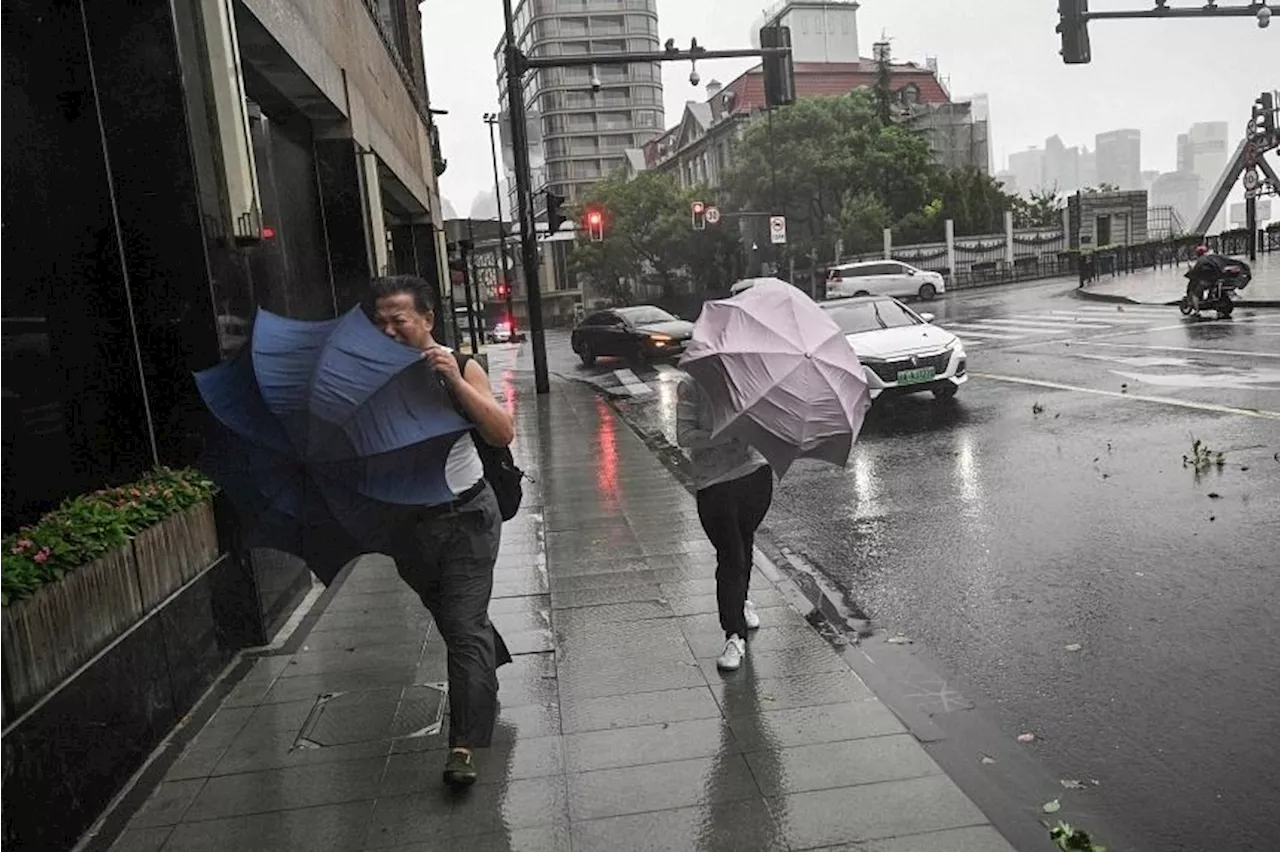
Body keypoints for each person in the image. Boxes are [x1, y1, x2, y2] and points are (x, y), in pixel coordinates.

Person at [368, 275, 516, 788]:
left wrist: (452, 378)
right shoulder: (373, 379)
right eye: (380, 322)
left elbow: (501, 431)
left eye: (399, 320)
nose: (388, 330)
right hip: (407, 526)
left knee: (461, 629)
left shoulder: (461, 363)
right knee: (455, 617)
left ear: (427, 319)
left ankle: (465, 745)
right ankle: (485, 654)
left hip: (467, 515)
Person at [676, 374, 773, 672]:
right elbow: (684, 436)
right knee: (731, 555)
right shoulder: (691, 385)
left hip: (754, 474)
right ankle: (734, 634)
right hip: (713, 482)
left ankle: (740, 601)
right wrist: (727, 434)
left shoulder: (752, 380)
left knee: (743, 544)